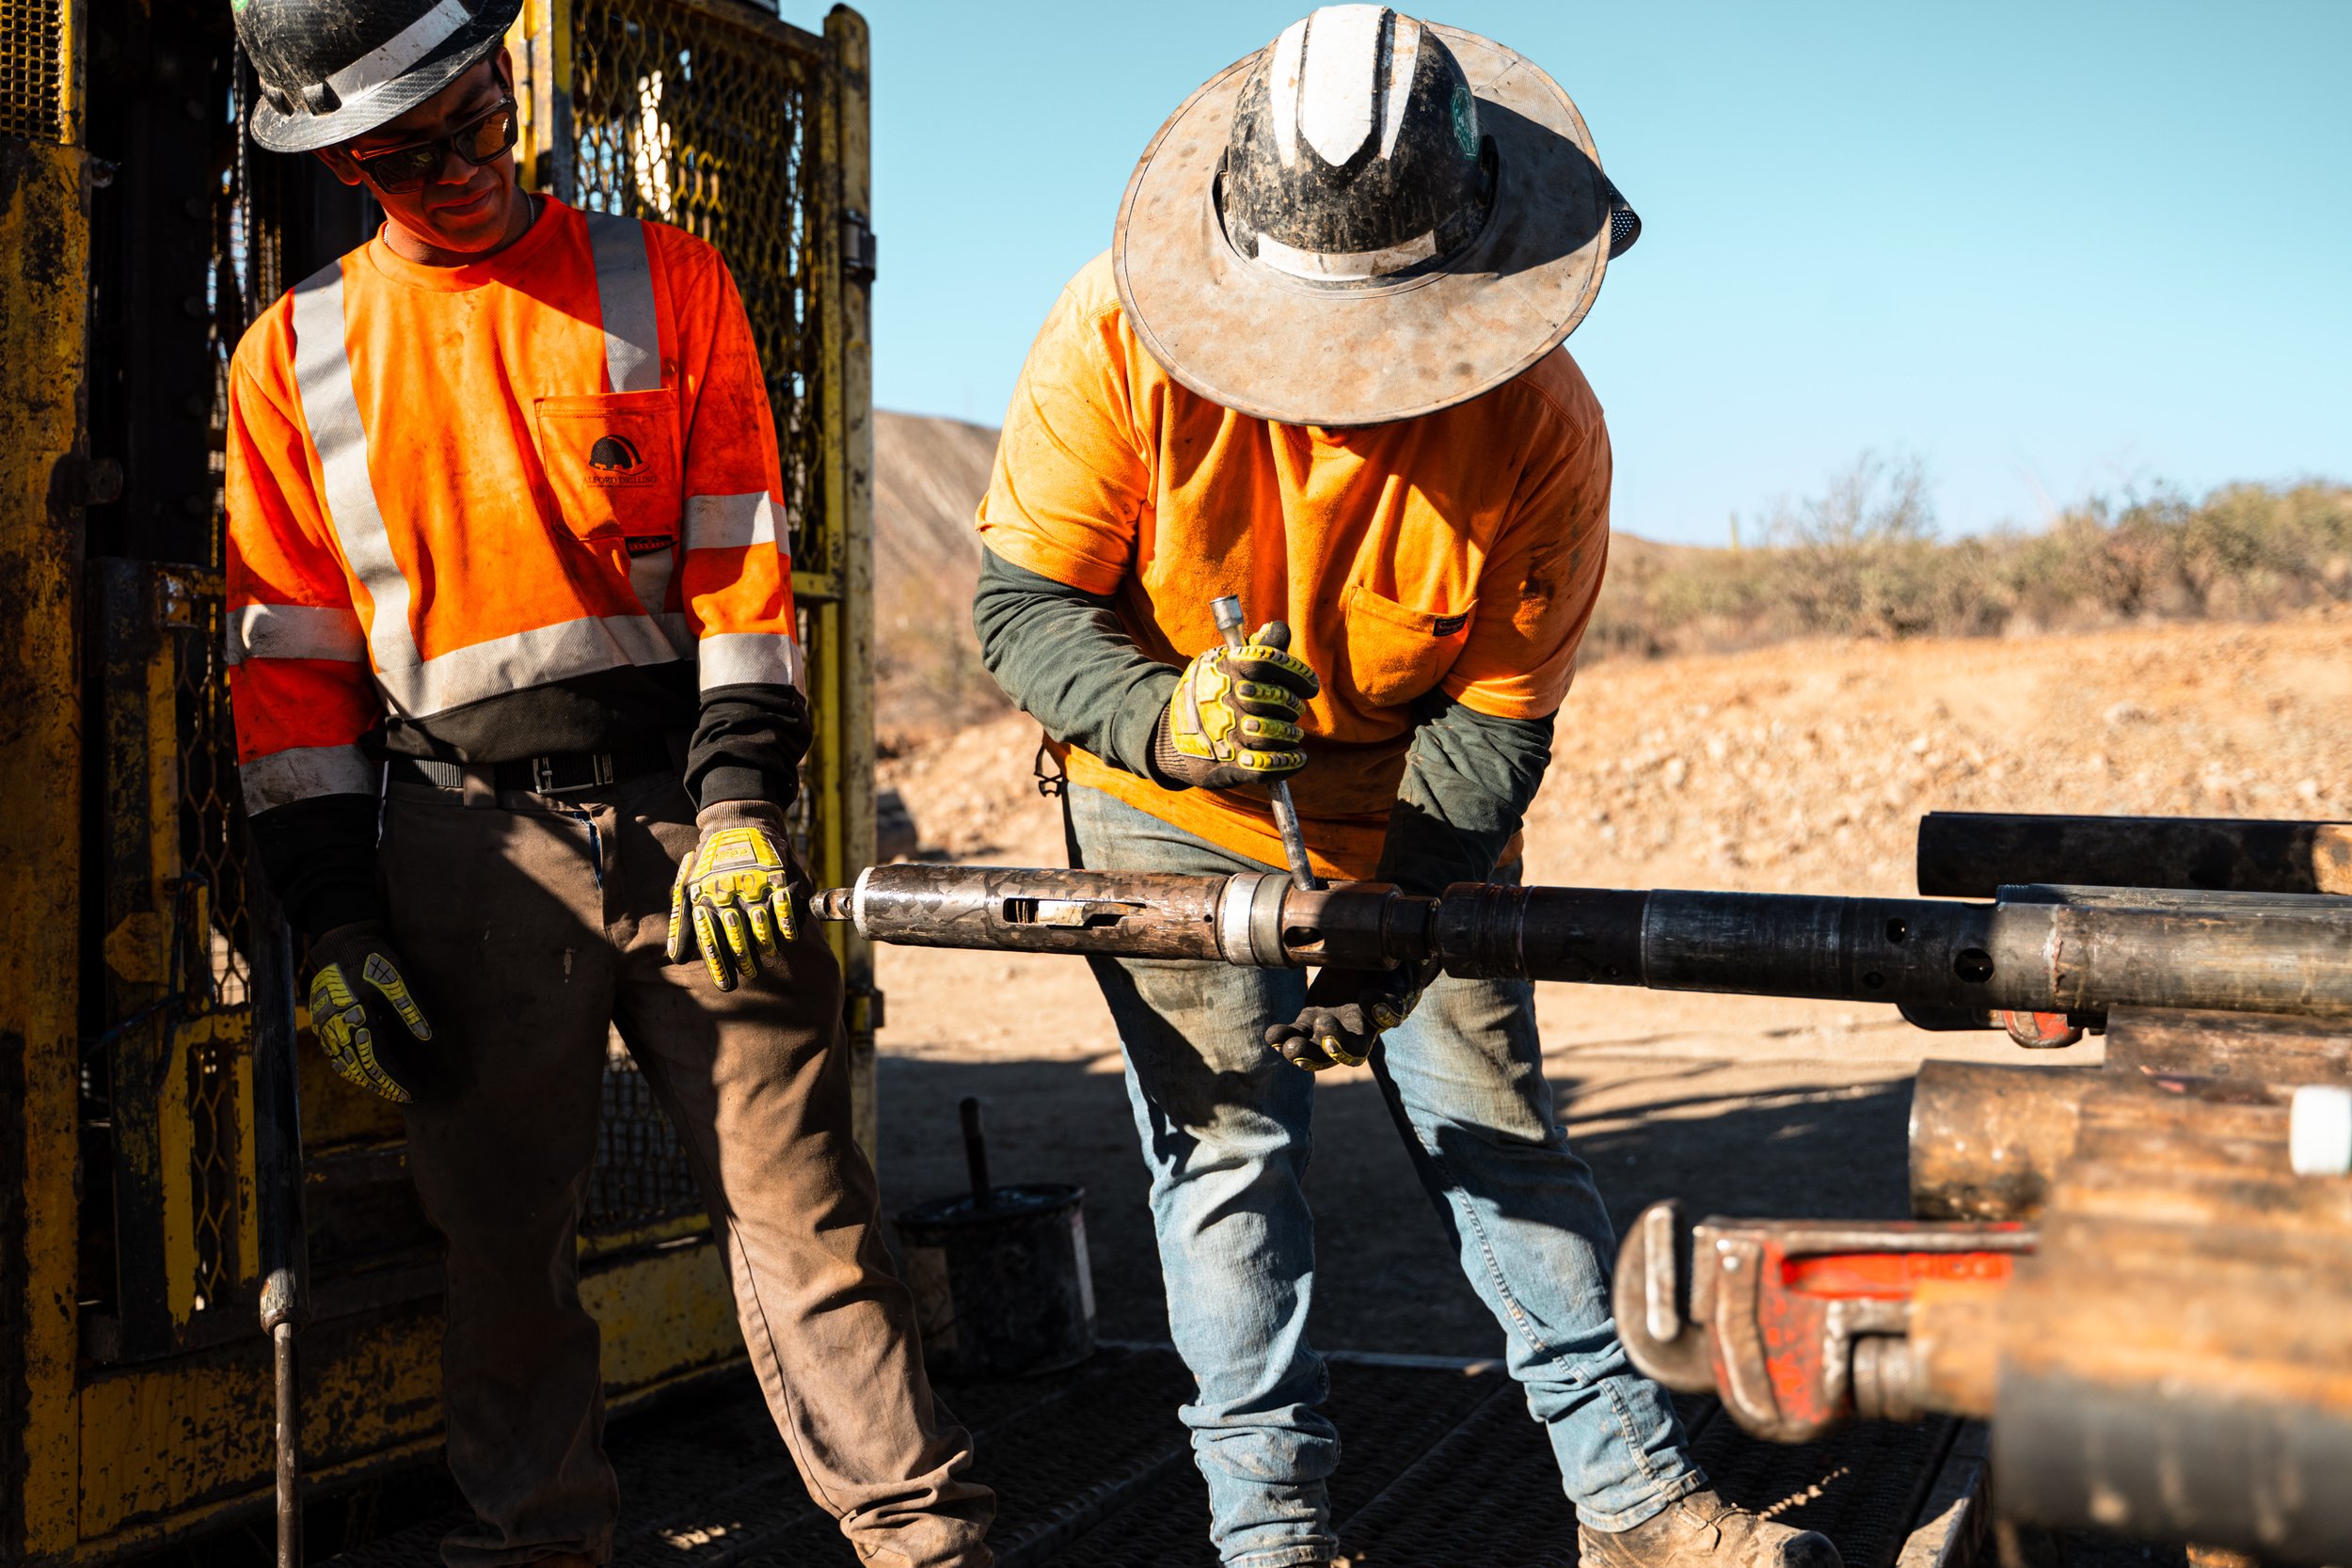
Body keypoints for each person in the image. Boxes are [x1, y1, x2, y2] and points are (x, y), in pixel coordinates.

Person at [972, 9, 1838, 1568]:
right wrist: (1173, 720)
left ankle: (1633, 1506)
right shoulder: (1111, 336)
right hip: (1165, 796)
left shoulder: (1545, 428)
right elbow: (1022, 612)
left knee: (1498, 1140)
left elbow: (1498, 728)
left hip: (1420, 817)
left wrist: (1396, 919)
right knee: (1226, 1160)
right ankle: (1272, 1537)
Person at [221, 2, 992, 1563]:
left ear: (507, 80)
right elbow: (290, 682)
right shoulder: (292, 358)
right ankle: (537, 1545)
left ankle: (928, 1542)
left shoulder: (665, 283)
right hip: (465, 855)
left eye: (475, 118)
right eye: (404, 152)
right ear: (345, 159)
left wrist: (734, 812)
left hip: (689, 825)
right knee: (501, 1250)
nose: (458, 170)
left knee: (808, 1220)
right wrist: (341, 925)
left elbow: (742, 578)